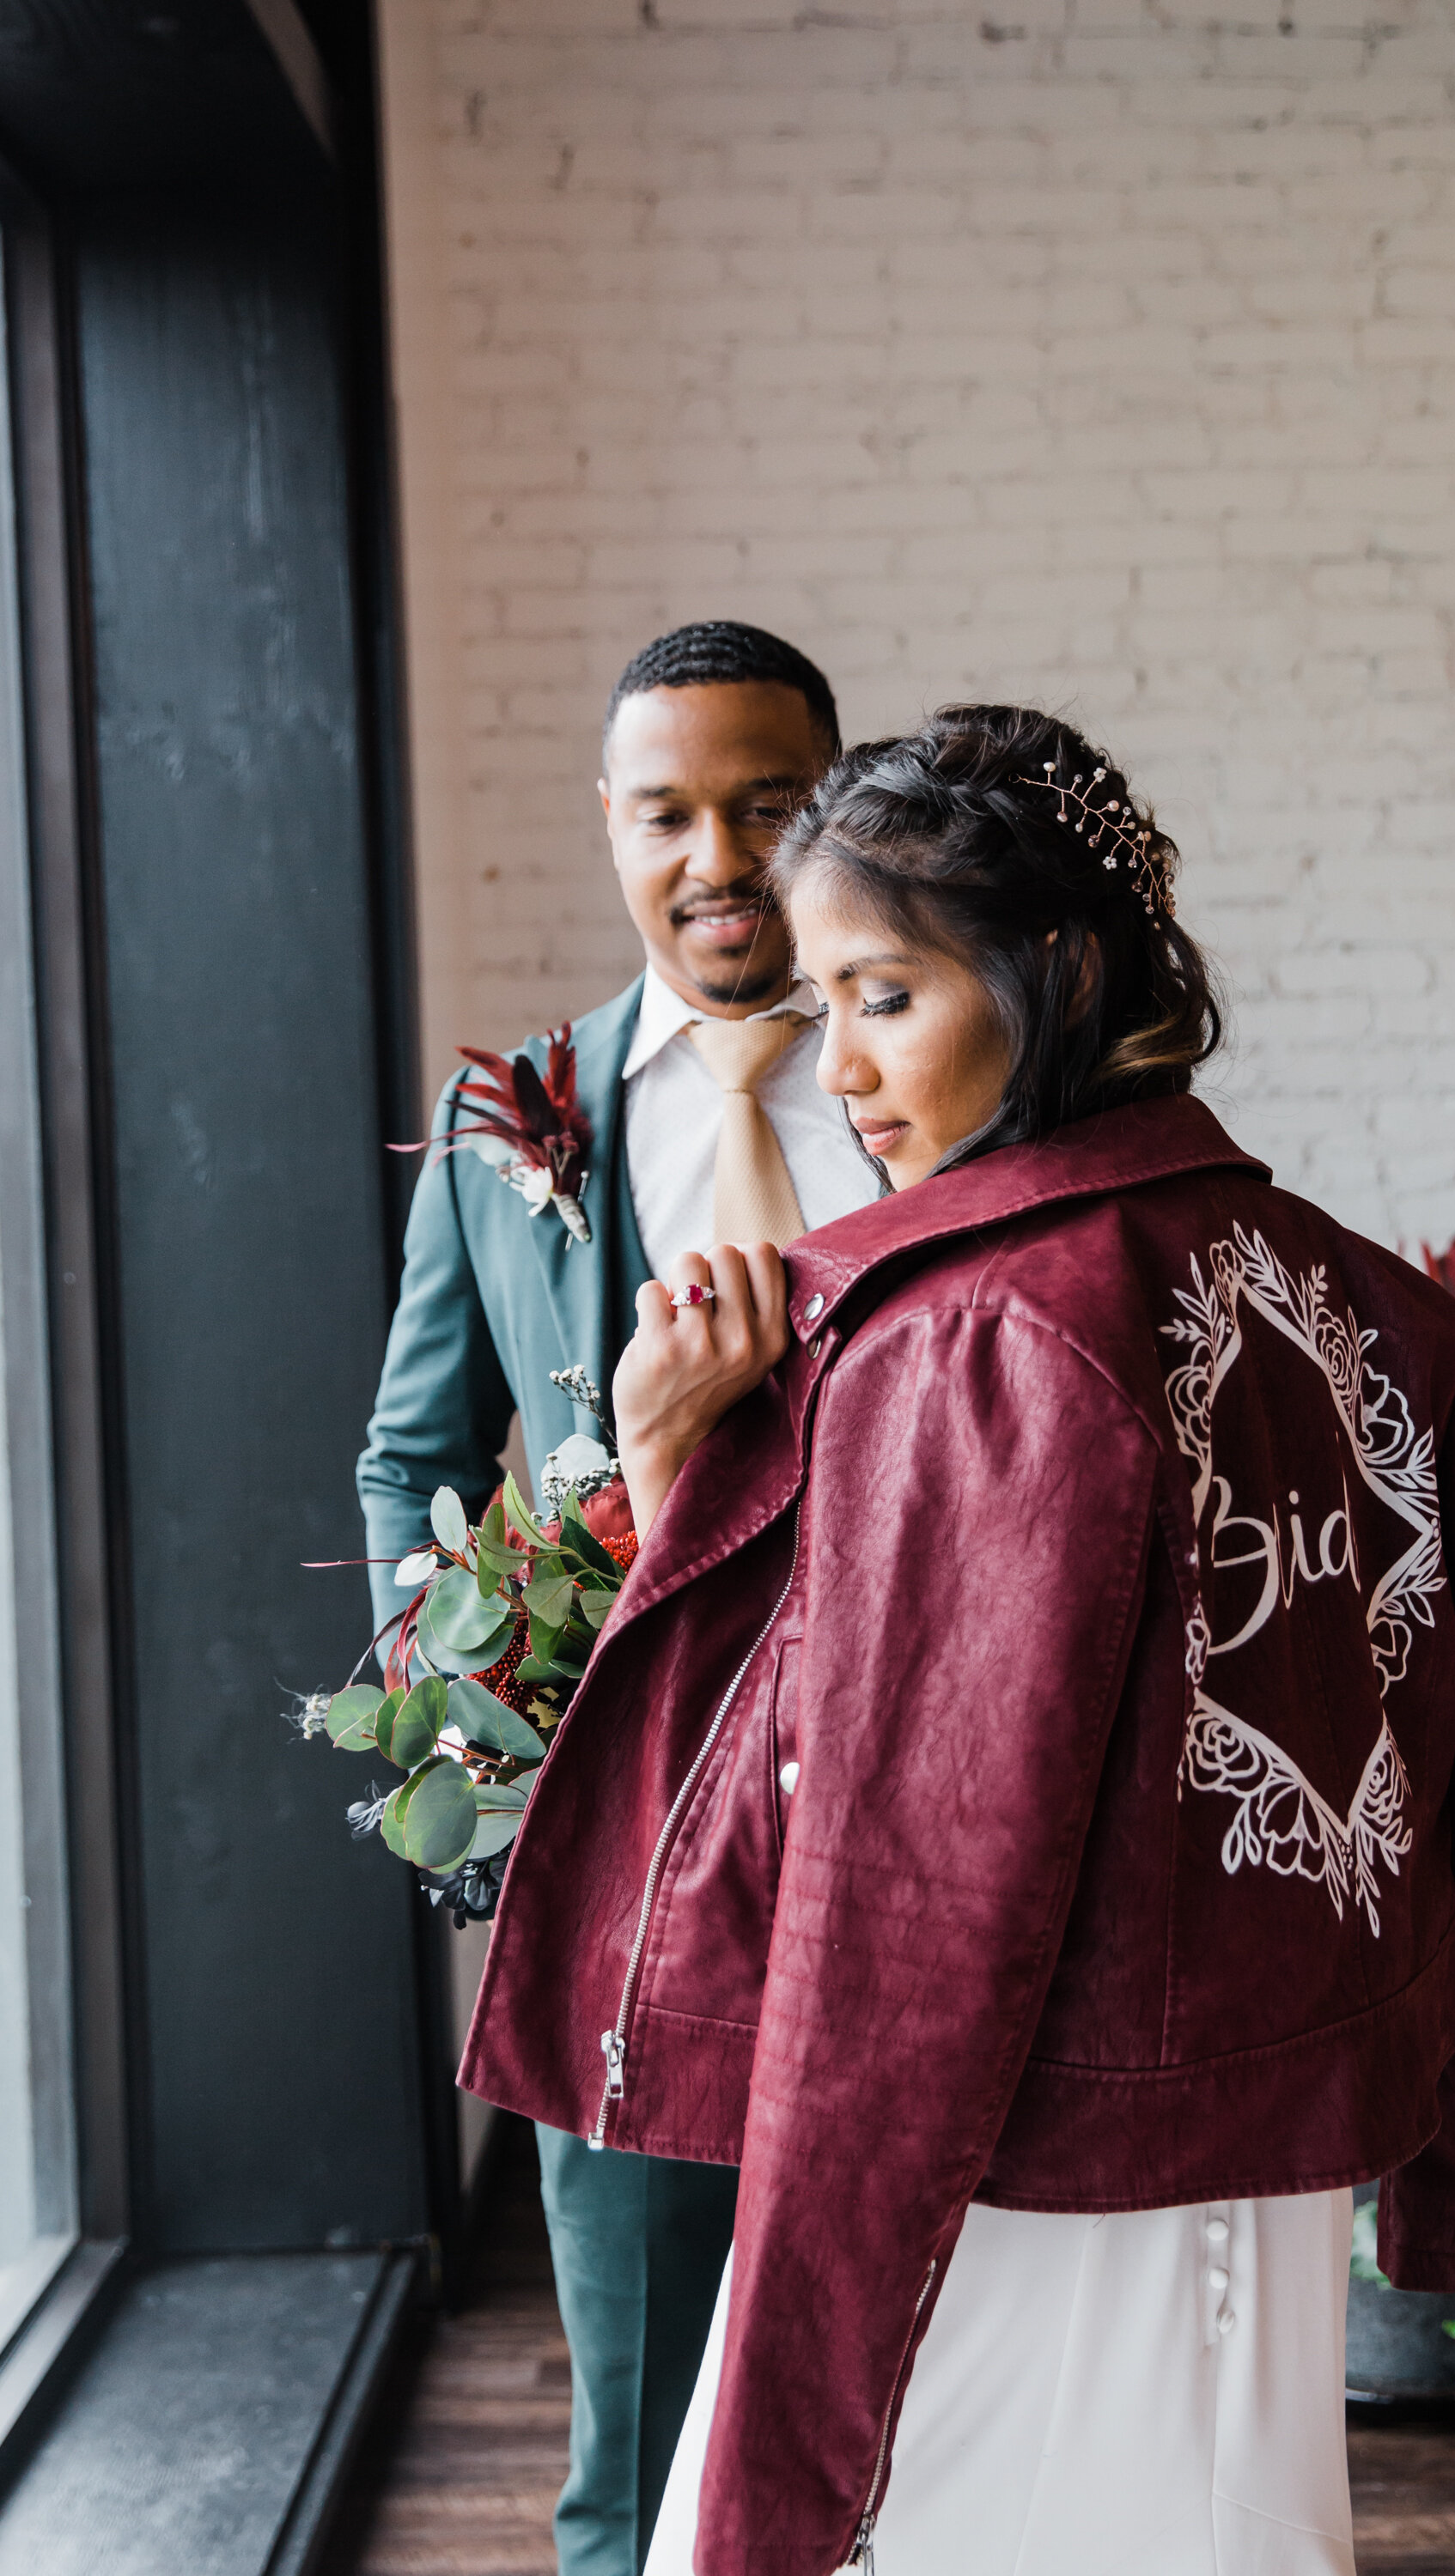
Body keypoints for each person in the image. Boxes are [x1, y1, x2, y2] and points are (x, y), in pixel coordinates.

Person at [461, 707, 1455, 2576]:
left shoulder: (978, 1342)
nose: (850, 1076)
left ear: (1050, 970)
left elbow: (914, 1906)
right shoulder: (1370, 1308)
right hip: (1260, 2149)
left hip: (1028, 2181)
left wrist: (785, 2422)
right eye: (826, 1009)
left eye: (886, 997)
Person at [357, 622, 881, 2576]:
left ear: (841, 804)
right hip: (631, 1823)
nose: (720, 856)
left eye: (771, 805)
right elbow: (408, 1453)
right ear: (609, 827)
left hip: (897, 1805)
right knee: (638, 2401)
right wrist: (459, 1701)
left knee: (917, 2346)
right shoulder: (516, 1120)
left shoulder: (927, 1078)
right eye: (668, 811)